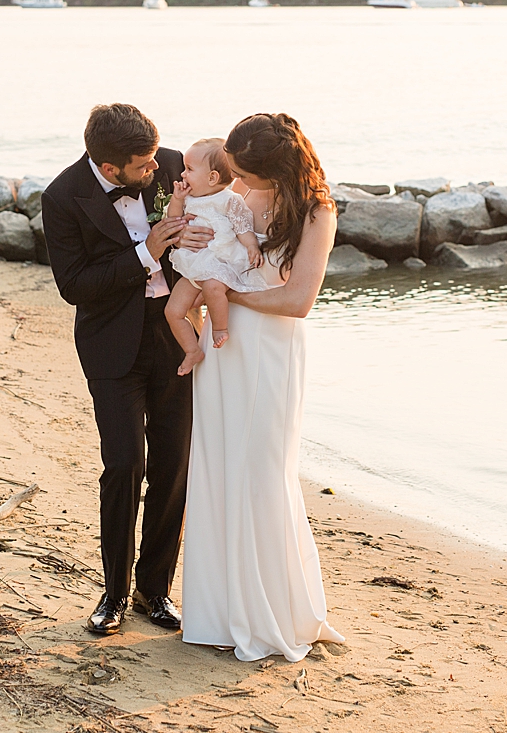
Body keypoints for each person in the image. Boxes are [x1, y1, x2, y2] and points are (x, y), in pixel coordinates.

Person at [40, 103, 212, 636]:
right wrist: (147, 249)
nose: (157, 170)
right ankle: (112, 595)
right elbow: (75, 286)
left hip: (175, 336)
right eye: (143, 166)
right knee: (123, 467)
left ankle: (152, 590)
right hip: (111, 344)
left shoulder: (170, 163)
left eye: (156, 160)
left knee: (173, 465)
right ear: (111, 169)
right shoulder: (63, 196)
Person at [180, 112, 346, 662]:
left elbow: (298, 301)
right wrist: (189, 239)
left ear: (275, 169)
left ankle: (273, 611)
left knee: (262, 473)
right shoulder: (239, 199)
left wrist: (229, 294)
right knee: (218, 468)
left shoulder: (317, 213)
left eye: (247, 173)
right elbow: (202, 245)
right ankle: (219, 614)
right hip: (223, 354)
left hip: (271, 351)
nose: (238, 181)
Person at [163, 138, 278, 375]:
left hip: (218, 262)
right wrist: (176, 199)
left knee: (214, 289)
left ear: (212, 178)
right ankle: (192, 350)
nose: (183, 175)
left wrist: (252, 247)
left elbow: (242, 227)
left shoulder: (229, 200)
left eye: (189, 170)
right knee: (172, 311)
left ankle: (219, 329)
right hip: (194, 266)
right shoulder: (187, 198)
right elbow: (173, 220)